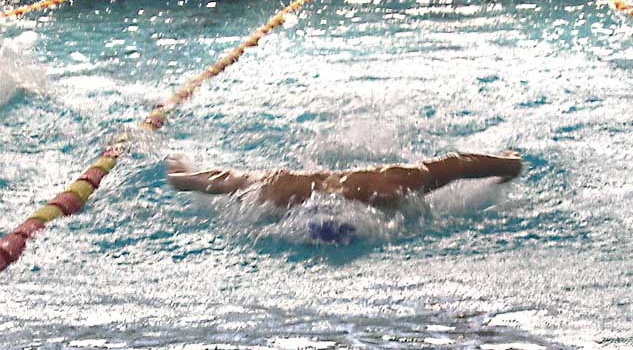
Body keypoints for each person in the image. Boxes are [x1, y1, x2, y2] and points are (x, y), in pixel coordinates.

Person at [166, 151, 522, 208]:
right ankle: (180, 173)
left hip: (298, 195)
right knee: (234, 183)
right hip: (304, 192)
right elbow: (457, 165)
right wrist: (508, 164)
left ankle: (180, 172)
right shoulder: (391, 187)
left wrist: (182, 176)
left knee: (233, 184)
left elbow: (226, 179)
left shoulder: (390, 184)